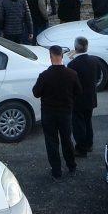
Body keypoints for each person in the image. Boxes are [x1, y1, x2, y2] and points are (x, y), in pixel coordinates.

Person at [32, 45, 81, 180]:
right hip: (65, 113)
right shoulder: (72, 74)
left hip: (48, 114)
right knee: (67, 140)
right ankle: (72, 166)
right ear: (61, 55)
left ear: (51, 56)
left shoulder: (44, 76)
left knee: (51, 142)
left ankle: (56, 172)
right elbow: (78, 91)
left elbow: (36, 93)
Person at [66, 37, 98, 157]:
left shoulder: (72, 64)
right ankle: (89, 144)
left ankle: (81, 148)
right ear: (87, 47)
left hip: (78, 100)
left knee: (78, 126)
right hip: (90, 98)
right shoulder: (94, 61)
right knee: (88, 122)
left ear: (75, 48)